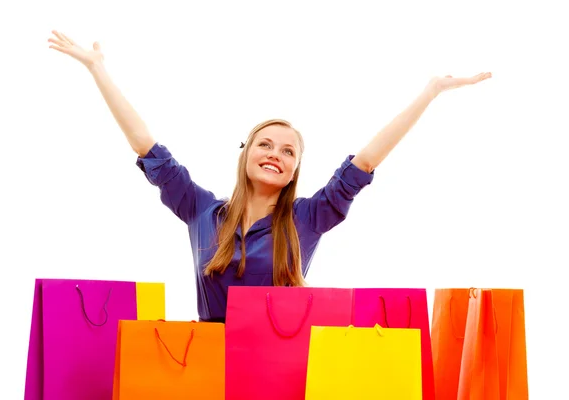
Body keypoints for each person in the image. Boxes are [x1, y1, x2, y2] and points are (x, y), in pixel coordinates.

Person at [48, 30, 491, 323]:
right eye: (265, 144)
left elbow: (367, 160)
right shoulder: (201, 209)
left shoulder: (310, 217)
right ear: (246, 154)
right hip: (205, 366)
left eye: (288, 151)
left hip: (278, 368)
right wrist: (96, 68)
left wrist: (430, 92)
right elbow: (146, 146)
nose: (275, 154)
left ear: (296, 169)